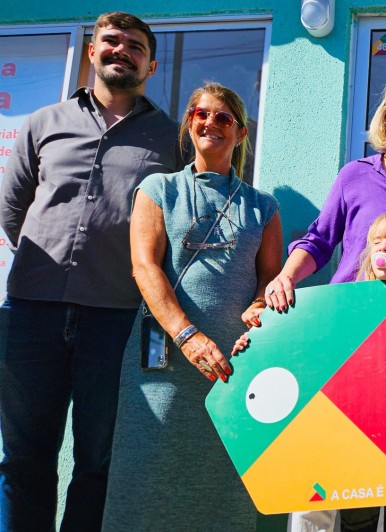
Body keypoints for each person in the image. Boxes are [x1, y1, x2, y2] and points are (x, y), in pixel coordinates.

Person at [0, 12, 184, 531]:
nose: (120, 50)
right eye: (110, 41)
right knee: (22, 457)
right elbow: (13, 211)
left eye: (134, 45)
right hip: (31, 314)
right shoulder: (44, 123)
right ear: (91, 52)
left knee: (98, 461)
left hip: (115, 320)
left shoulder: (170, 139)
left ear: (150, 64)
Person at [261, 65, 386, 532]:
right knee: (349, 479)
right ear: (385, 116)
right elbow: (320, 241)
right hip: (347, 342)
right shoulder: (356, 175)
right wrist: (285, 277)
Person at [99, 83, 282, 530]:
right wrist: (188, 336)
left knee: (223, 487)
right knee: (146, 477)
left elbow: (269, 284)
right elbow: (144, 268)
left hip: (235, 369)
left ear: (240, 133)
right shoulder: (158, 188)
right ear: (188, 122)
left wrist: (258, 313)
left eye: (223, 118)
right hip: (161, 361)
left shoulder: (263, 207)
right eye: (201, 114)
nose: (210, 123)